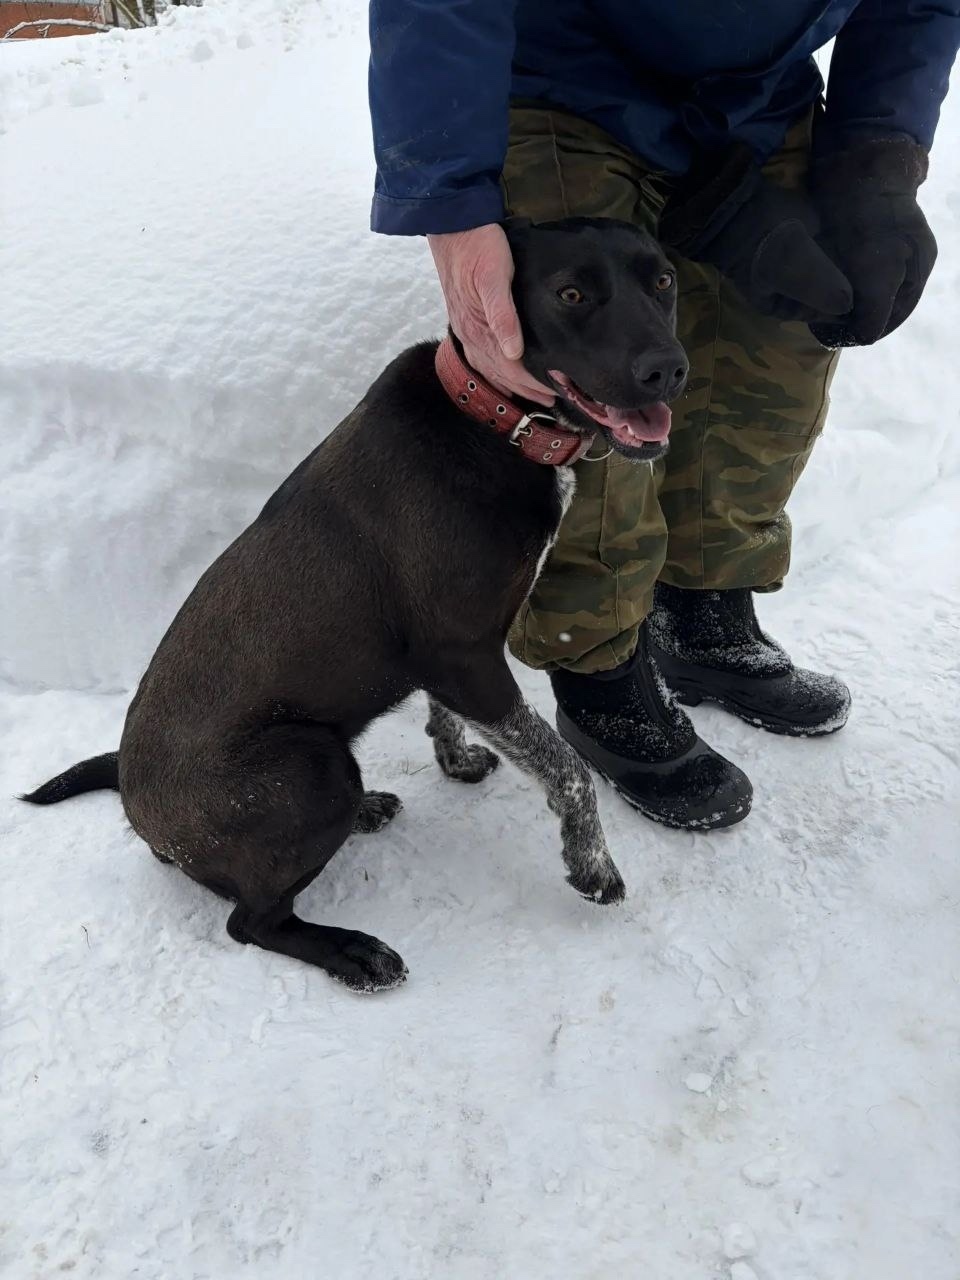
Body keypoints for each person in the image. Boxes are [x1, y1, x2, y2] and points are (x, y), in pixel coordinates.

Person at [367, 1, 959, 830]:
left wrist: (877, 159)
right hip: (563, 75)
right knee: (588, 391)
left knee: (778, 358)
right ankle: (595, 664)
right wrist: (453, 206)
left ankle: (703, 620)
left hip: (760, 100)